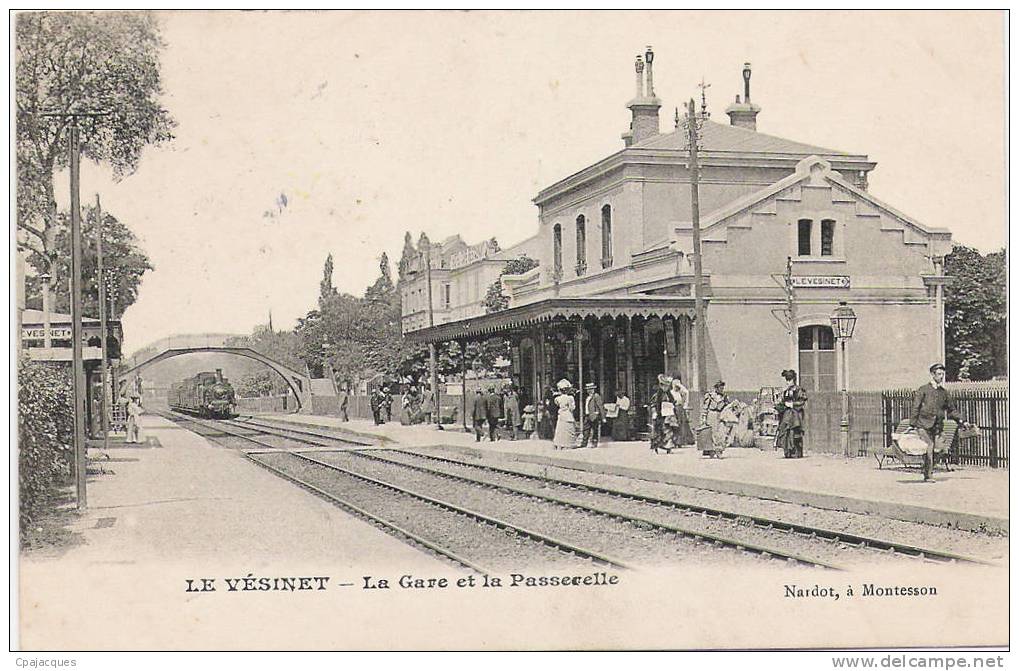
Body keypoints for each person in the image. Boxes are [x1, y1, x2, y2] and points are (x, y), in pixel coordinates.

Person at [910, 363, 966, 481]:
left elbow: (952, 409)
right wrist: (913, 424)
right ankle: (928, 475)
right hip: (923, 425)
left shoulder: (943, 392)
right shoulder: (923, 389)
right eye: (939, 374)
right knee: (929, 446)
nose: (941, 377)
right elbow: (916, 407)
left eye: (943, 374)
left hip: (937, 426)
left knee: (941, 448)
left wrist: (962, 421)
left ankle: (926, 467)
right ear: (932, 374)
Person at [775, 370, 808, 459]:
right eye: (786, 380)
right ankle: (788, 452)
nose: (787, 382)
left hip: (795, 414)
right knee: (786, 431)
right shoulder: (786, 391)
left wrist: (792, 404)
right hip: (786, 414)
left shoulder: (798, 389)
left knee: (794, 432)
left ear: (794, 380)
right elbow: (783, 402)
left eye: (789, 380)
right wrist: (779, 406)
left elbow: (802, 402)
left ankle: (796, 452)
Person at [700, 380, 731, 457]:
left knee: (721, 433)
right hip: (712, 414)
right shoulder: (710, 396)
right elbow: (705, 407)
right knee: (712, 433)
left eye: (722, 388)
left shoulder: (725, 397)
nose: (721, 389)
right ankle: (712, 450)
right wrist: (704, 417)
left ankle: (719, 450)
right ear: (716, 388)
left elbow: (727, 407)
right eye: (720, 388)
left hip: (720, 414)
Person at [666, 375, 695, 449]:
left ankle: (681, 441)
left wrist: (680, 386)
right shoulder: (671, 392)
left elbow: (686, 392)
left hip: (680, 409)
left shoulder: (679, 392)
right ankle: (675, 441)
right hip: (674, 409)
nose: (676, 387)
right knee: (676, 426)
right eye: (675, 385)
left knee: (683, 425)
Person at [648, 374, 673, 453]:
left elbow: (672, 400)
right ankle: (657, 445)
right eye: (665, 386)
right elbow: (657, 404)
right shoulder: (659, 393)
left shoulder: (668, 393)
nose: (666, 388)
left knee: (668, 430)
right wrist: (658, 413)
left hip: (668, 414)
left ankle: (668, 446)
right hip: (660, 414)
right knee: (658, 430)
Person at [552, 380, 576, 450]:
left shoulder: (557, 399)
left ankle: (559, 444)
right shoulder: (570, 398)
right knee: (568, 429)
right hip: (568, 414)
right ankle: (567, 444)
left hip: (561, 415)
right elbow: (572, 408)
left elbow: (557, 405)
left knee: (560, 430)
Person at [579, 382, 604, 448]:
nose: (589, 390)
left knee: (595, 429)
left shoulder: (596, 396)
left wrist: (602, 416)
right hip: (587, 415)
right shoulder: (587, 397)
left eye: (590, 389)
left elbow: (600, 406)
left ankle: (594, 443)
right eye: (588, 389)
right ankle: (584, 443)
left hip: (594, 415)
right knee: (586, 429)